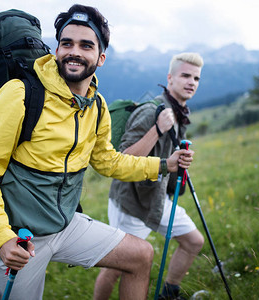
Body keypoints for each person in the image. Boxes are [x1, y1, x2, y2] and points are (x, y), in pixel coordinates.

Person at [0, 4, 193, 300]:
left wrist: (165, 165)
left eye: (86, 45)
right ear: (57, 49)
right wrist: (1, 237)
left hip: (65, 226)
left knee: (140, 255)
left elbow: (108, 161)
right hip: (19, 239)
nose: (74, 51)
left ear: (100, 57)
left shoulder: (96, 107)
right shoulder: (20, 94)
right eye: (66, 43)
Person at [94, 53, 205, 300]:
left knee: (193, 242)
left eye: (196, 78)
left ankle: (169, 293)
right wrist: (157, 130)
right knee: (116, 269)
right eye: (185, 75)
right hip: (131, 203)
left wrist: (178, 159)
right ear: (170, 78)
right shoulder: (151, 111)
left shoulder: (178, 110)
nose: (192, 82)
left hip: (156, 198)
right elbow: (123, 157)